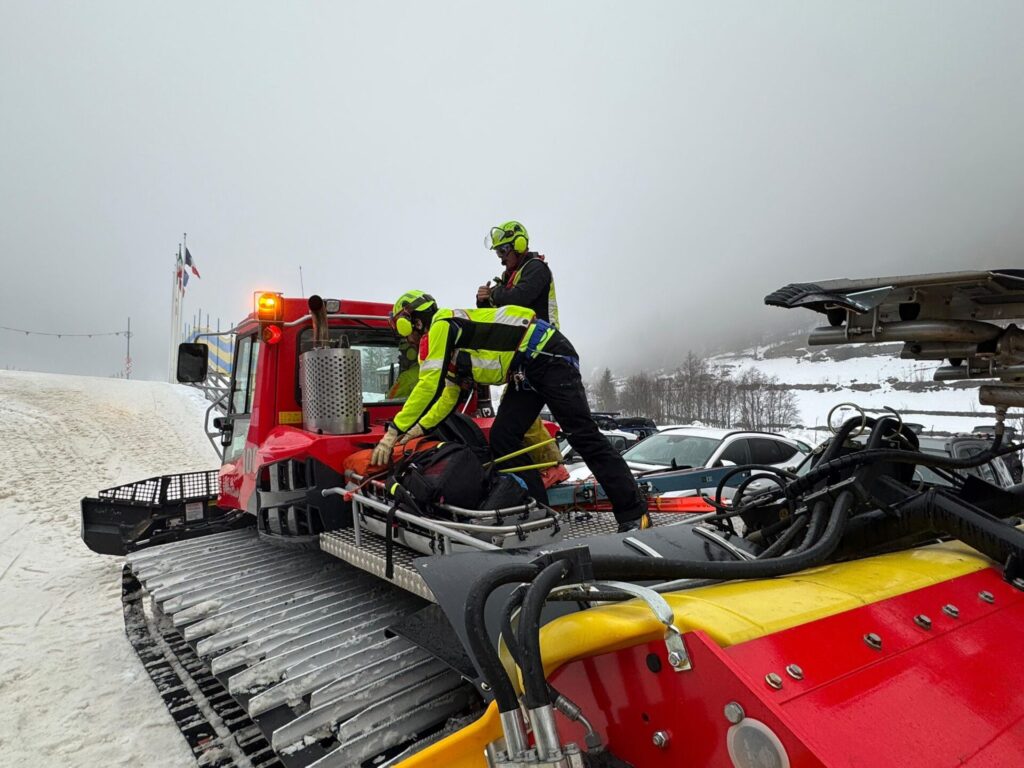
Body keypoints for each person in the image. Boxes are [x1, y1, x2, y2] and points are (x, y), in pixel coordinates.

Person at [371, 290, 650, 531]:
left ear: (411, 320)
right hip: (526, 371)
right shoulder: (450, 347)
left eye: (399, 327)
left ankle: (633, 513)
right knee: (503, 438)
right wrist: (419, 429)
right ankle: (538, 510)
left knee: (583, 436)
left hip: (549, 356)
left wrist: (394, 430)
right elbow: (446, 396)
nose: (402, 337)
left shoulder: (442, 324)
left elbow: (427, 385)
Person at [477, 220, 564, 485]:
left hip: (544, 353)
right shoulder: (509, 279)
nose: (501, 259)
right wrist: (482, 301)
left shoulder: (536, 269)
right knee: (514, 419)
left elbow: (519, 298)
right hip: (521, 355)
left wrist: (494, 295)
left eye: (504, 252)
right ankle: (541, 469)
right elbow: (495, 315)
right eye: (498, 254)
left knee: (522, 419)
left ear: (519, 245)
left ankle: (552, 466)